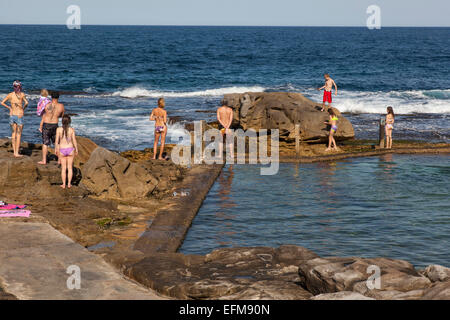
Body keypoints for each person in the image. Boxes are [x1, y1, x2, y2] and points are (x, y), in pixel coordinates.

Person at [1, 81, 29, 158]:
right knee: (19, 134)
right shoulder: (22, 94)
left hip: (12, 115)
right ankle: (17, 153)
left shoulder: (10, 95)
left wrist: (9, 108)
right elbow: (26, 103)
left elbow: (2, 102)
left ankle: (15, 152)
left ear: (13, 86)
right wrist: (23, 109)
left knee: (13, 133)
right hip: (19, 116)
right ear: (20, 87)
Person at [39, 91, 65, 165]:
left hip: (46, 124)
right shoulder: (61, 106)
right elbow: (62, 116)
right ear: (58, 97)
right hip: (55, 124)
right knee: (57, 143)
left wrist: (40, 126)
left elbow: (42, 114)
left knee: (45, 143)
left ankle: (44, 160)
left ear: (51, 97)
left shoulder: (47, 105)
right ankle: (59, 160)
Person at [55, 115, 78, 189]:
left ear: (62, 121)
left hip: (62, 150)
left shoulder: (58, 129)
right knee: (70, 168)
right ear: (69, 122)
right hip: (70, 149)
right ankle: (69, 184)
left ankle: (64, 184)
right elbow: (74, 140)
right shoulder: (71, 130)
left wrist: (56, 149)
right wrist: (76, 149)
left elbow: (56, 141)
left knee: (63, 169)